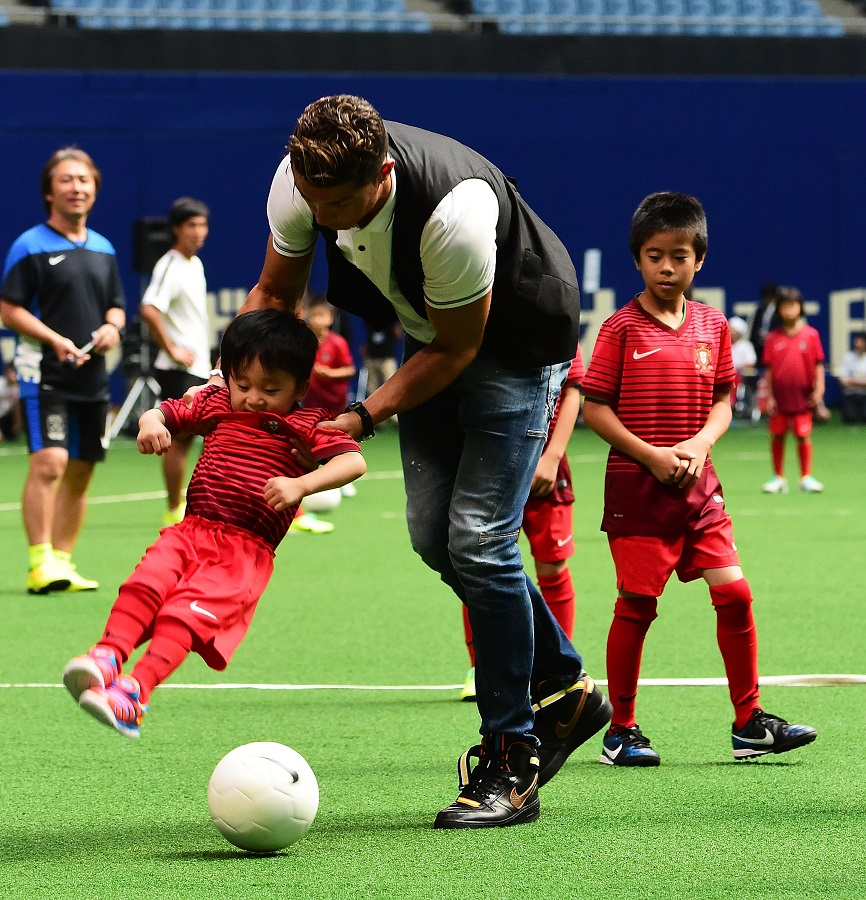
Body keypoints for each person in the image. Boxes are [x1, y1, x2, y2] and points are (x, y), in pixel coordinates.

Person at [210, 94, 611, 829]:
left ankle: (511, 759)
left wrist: (362, 414)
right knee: (434, 535)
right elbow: (275, 293)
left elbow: (461, 349)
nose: (321, 216)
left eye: (337, 203)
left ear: (383, 173)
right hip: (432, 332)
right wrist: (232, 386)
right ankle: (565, 683)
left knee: (480, 539)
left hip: (513, 345)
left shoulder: (453, 212)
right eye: (311, 199)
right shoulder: (301, 178)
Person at [581, 191, 816, 768]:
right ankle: (622, 730)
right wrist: (651, 455)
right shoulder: (618, 330)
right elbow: (595, 409)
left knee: (734, 592)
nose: (668, 266)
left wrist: (700, 443)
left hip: (699, 490)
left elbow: (724, 399)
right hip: (638, 493)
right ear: (637, 259)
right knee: (636, 605)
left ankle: (749, 723)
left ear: (699, 260)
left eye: (680, 255)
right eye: (656, 255)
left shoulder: (713, 325)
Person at [62, 308, 365, 738]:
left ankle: (135, 693)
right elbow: (163, 413)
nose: (254, 397)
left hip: (243, 552)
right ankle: (107, 656)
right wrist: (151, 424)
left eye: (270, 388)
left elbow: (353, 461)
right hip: (191, 530)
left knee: (182, 617)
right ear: (227, 376)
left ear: (300, 386)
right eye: (243, 385)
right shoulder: (218, 403)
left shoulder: (306, 424)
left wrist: (303, 485)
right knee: (144, 584)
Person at [0, 147, 126, 595]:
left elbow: (116, 305)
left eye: (85, 181)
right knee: (50, 463)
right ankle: (39, 563)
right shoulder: (30, 245)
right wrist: (53, 339)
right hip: (44, 372)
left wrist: (113, 326)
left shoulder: (103, 248)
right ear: (49, 192)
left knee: (82, 468)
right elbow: (8, 309)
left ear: (94, 190)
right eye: (67, 180)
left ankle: (64, 562)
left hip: (91, 375)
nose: (77, 188)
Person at [460, 346, 584, 702]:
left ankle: (561, 672)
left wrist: (554, 455)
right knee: (478, 564)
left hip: (546, 465)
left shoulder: (555, 313)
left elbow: (573, 388)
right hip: (487, 460)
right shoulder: (477, 314)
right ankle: (481, 666)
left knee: (553, 565)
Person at [139, 197, 213, 526]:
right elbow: (149, 308)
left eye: (203, 225)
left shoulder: (194, 264)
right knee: (179, 442)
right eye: (191, 226)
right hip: (178, 369)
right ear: (176, 229)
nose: (199, 232)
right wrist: (172, 350)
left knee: (208, 436)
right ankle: (174, 511)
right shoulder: (169, 264)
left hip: (198, 368)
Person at [761, 285, 826, 494]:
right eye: (785, 306)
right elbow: (769, 371)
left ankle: (806, 477)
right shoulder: (772, 338)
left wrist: (819, 390)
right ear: (778, 309)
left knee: (803, 435)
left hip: (803, 398)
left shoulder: (811, 335)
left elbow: (818, 364)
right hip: (779, 399)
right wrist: (768, 396)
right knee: (778, 435)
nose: (789, 310)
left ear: (801, 307)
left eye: (793, 305)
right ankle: (778, 478)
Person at [302, 293, 359, 503]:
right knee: (313, 439)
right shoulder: (305, 342)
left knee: (339, 438)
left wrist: (329, 374)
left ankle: (346, 479)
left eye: (322, 315)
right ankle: (319, 478)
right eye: (314, 315)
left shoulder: (338, 343)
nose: (318, 320)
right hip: (311, 401)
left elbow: (350, 369)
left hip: (334, 401)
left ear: (330, 319)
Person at [726, 315, 757, 418]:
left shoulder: (746, 345)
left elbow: (750, 363)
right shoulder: (724, 344)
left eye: (733, 330)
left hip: (742, 379)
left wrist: (734, 368)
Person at [836, 330, 866, 424]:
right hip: (850, 396)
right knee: (850, 418)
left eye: (860, 342)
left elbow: (848, 381)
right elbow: (842, 381)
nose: (857, 344)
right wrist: (862, 382)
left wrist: (852, 381)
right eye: (856, 341)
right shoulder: (848, 358)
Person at [0, 360, 22, 441]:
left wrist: (17, 425)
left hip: (7, 417)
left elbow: (17, 408)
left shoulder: (19, 387)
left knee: (11, 437)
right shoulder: (1, 385)